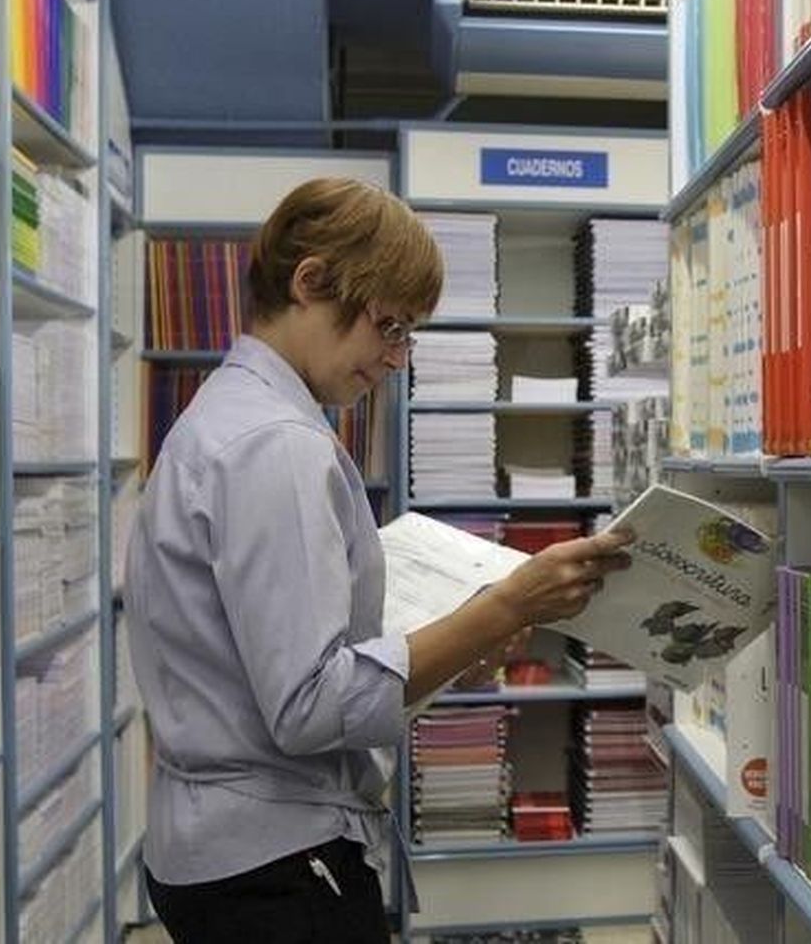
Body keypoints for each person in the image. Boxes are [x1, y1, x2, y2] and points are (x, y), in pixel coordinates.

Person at [124, 177, 634, 944]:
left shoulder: (229, 415)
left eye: (408, 335)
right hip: (277, 863)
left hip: (226, 848)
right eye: (388, 325)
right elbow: (308, 705)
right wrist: (508, 602)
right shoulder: (277, 445)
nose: (396, 357)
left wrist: (451, 649)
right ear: (310, 282)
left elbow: (267, 665)